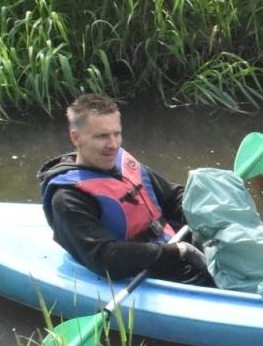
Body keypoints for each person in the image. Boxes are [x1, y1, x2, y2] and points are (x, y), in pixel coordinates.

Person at [37, 92, 210, 284]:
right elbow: (107, 258)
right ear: (76, 138)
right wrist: (177, 251)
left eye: (117, 134)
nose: (113, 144)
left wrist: (205, 215)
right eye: (102, 136)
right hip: (147, 274)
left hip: (175, 245)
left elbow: (173, 196)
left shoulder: (123, 163)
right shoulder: (68, 198)